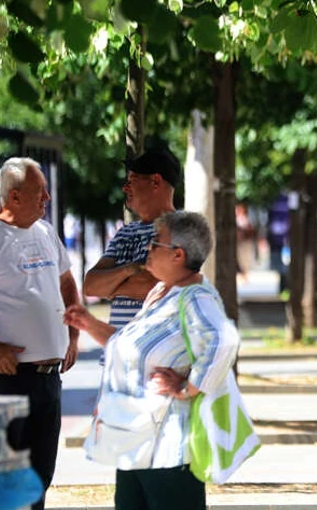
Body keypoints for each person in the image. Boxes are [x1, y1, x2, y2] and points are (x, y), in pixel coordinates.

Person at [64, 211, 237, 510]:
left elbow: (224, 340)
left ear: (178, 255)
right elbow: (131, 344)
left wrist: (189, 386)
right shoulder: (161, 291)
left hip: (169, 445)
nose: (148, 248)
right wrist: (89, 324)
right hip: (135, 440)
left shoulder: (195, 297)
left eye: (156, 243)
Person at [0, 157, 80, 510]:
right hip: (5, 378)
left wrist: (74, 334)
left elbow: (67, 282)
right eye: (39, 191)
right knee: (5, 479)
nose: (47, 197)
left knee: (39, 478)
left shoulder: (45, 231)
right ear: (14, 196)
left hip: (48, 378)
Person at [83, 145, 179, 333]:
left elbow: (152, 284)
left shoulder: (181, 227)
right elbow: (90, 286)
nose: (125, 187)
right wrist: (128, 270)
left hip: (157, 349)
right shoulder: (125, 232)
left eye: (132, 180)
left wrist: (110, 288)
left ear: (155, 181)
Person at [235, 202, 257, 283]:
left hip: (245, 243)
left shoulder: (245, 219)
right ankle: (242, 274)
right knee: (241, 258)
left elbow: (251, 231)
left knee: (244, 259)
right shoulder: (238, 219)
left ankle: (244, 274)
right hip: (241, 244)